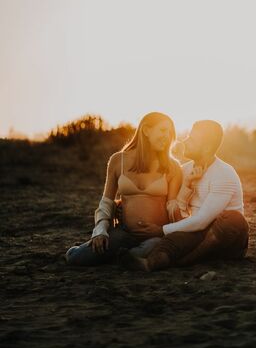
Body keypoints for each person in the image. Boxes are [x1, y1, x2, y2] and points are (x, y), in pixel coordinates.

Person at [121, 119, 249, 271]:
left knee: (233, 219)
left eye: (192, 139)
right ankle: (148, 264)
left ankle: (187, 260)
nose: (185, 142)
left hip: (227, 241)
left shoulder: (224, 174)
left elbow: (202, 220)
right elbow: (178, 213)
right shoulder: (184, 171)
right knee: (172, 239)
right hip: (198, 234)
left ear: (207, 148)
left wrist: (160, 230)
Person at [65, 112, 182, 266]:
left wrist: (163, 230)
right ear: (146, 131)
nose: (167, 136)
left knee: (150, 247)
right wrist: (100, 230)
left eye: (170, 132)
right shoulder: (118, 160)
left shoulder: (172, 167)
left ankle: (128, 255)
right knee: (76, 259)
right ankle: (91, 250)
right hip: (124, 232)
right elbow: (107, 201)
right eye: (162, 130)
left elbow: (172, 207)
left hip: (154, 236)